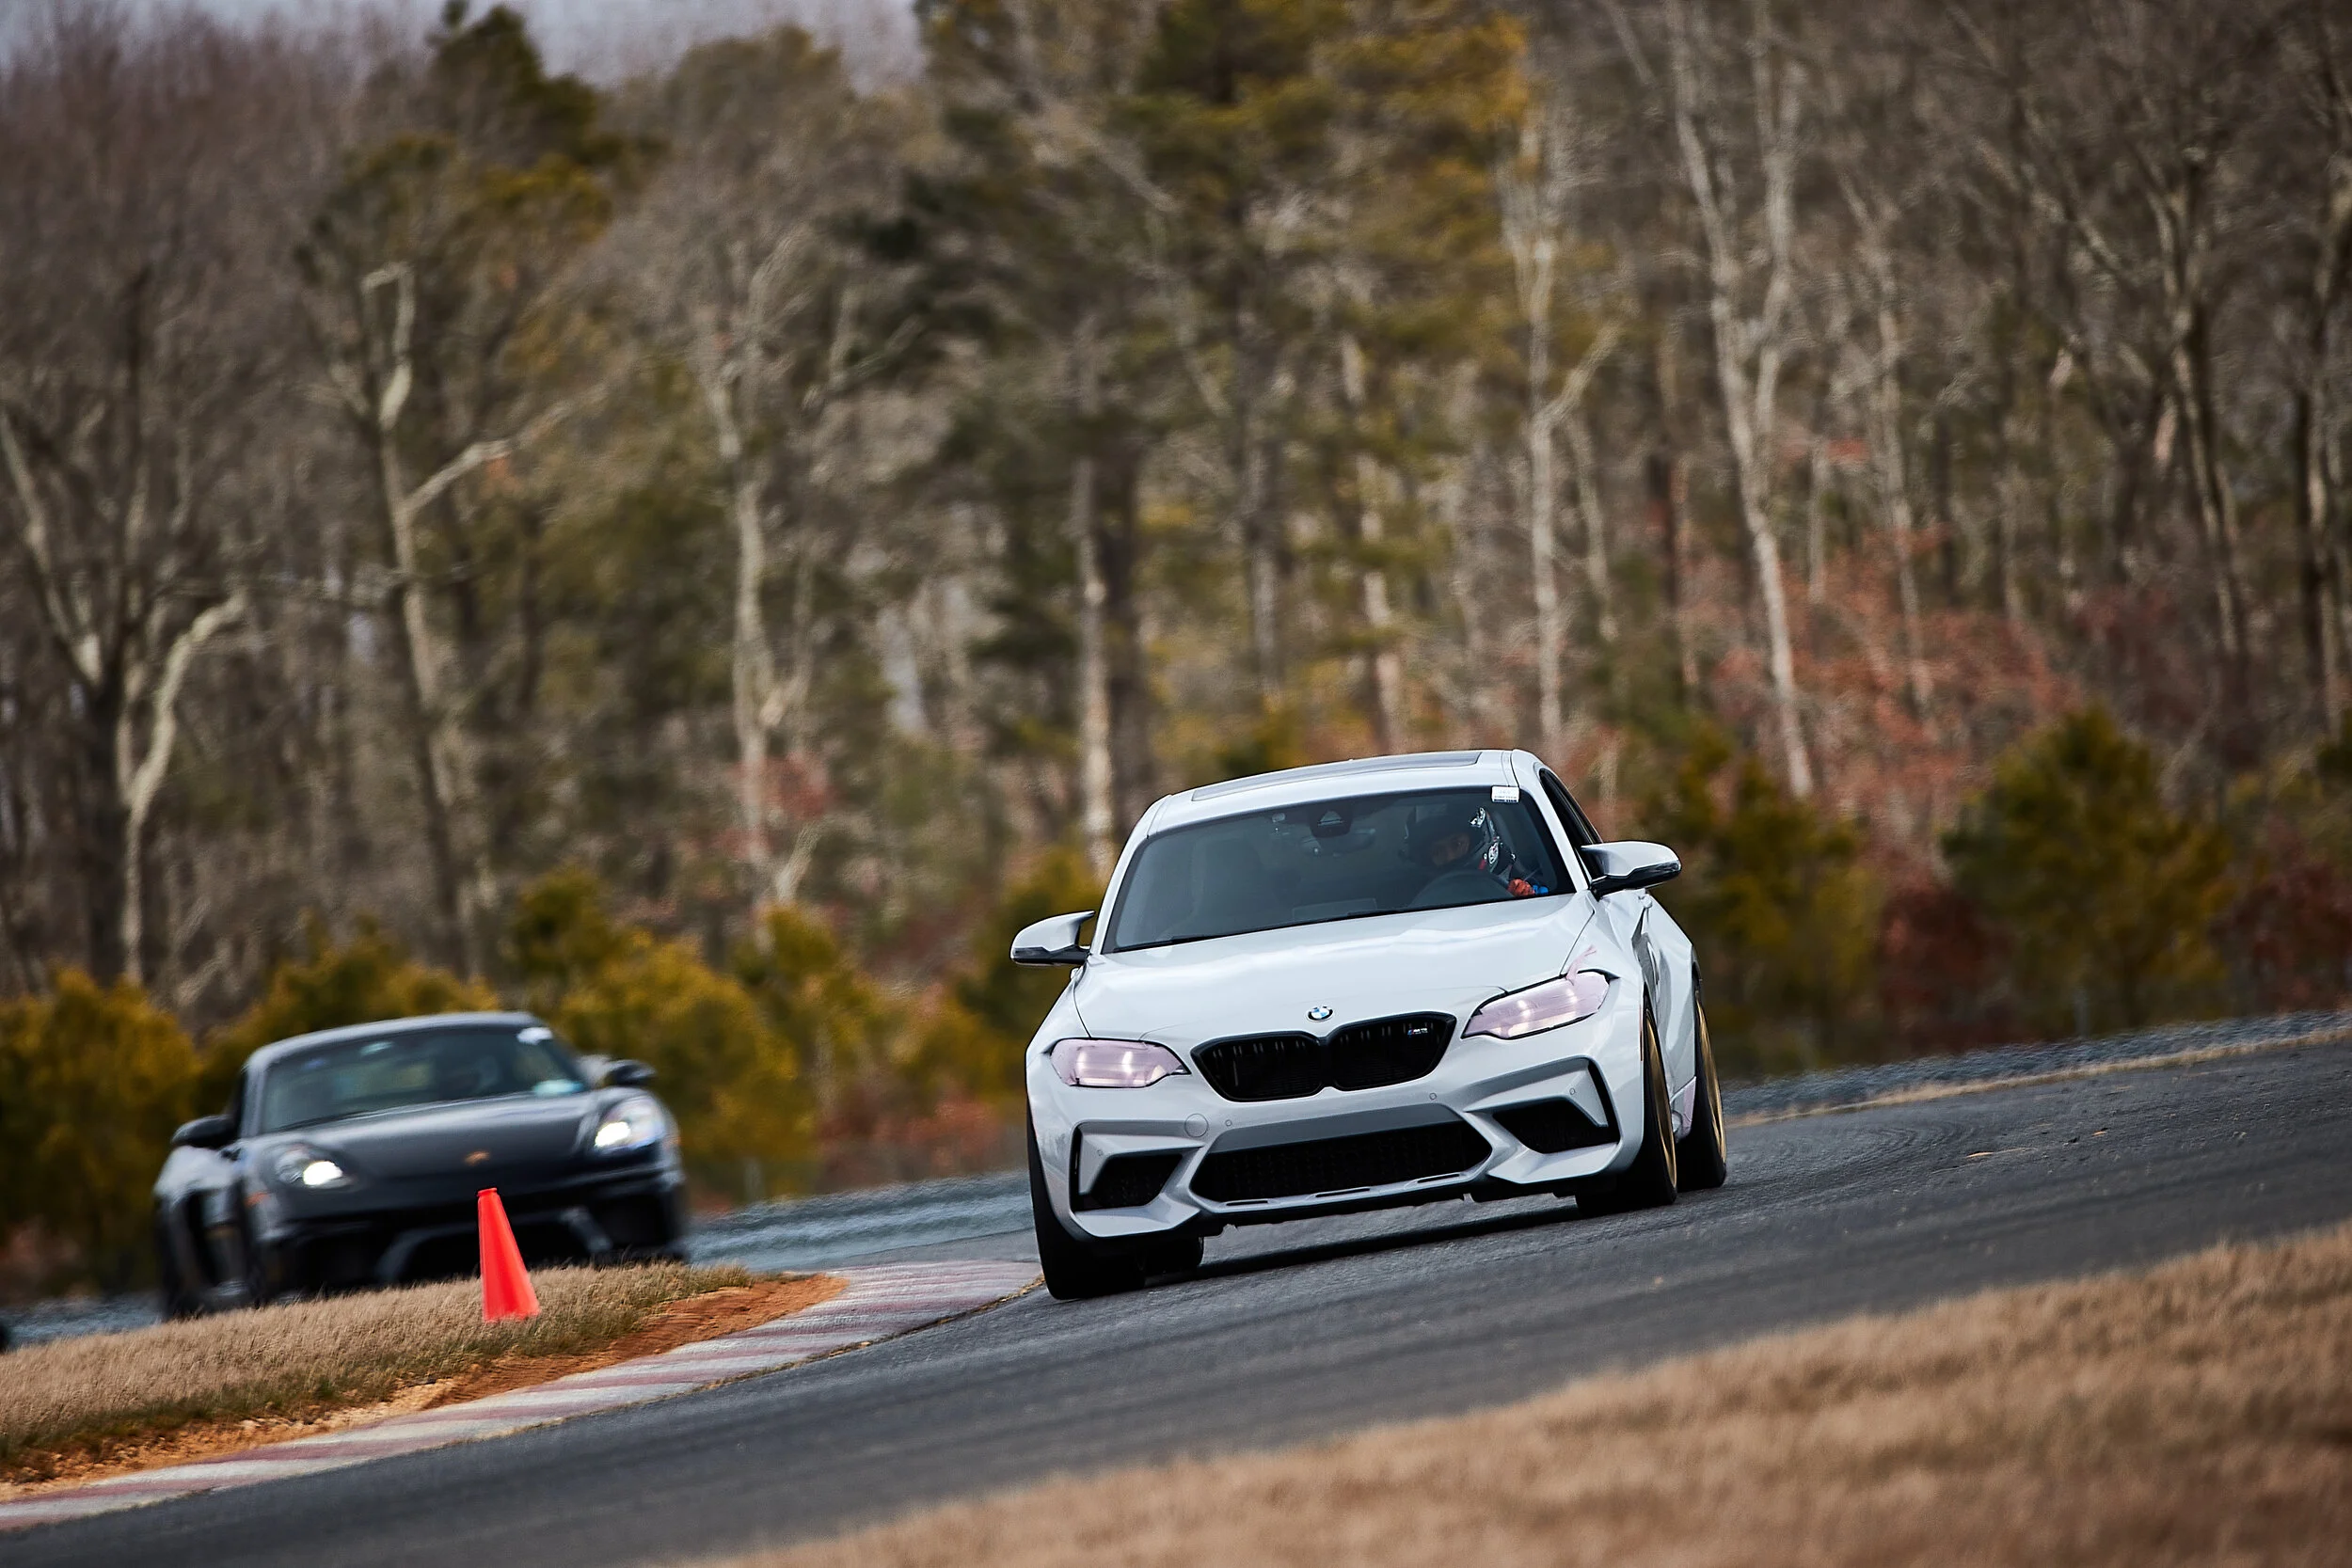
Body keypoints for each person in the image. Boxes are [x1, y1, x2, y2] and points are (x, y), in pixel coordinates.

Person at [1403, 800, 1549, 898]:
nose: (1450, 857)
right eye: (1438, 852)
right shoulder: (1412, 902)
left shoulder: (1524, 889)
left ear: (1476, 840)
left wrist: (1523, 900)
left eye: (1457, 844)